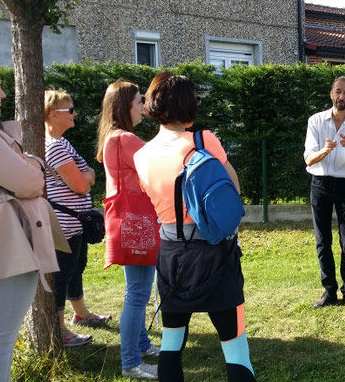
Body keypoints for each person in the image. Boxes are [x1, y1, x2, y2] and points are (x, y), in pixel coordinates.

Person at [133, 72, 254, 382]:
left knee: (171, 345)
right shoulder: (203, 140)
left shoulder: (141, 155)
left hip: (172, 256)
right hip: (215, 253)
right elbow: (232, 190)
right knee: (235, 346)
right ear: (189, 104)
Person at [0, 64, 59, 382]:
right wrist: (33, 163)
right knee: (0, 341)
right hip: (6, 254)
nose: (3, 93)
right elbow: (30, 182)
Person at [96, 80, 160, 379]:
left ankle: (142, 345)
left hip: (125, 220)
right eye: (138, 102)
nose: (143, 108)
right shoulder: (126, 140)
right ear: (124, 107)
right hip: (136, 222)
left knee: (137, 289)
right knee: (137, 294)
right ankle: (131, 361)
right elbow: (156, 168)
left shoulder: (112, 137)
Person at [44, 88, 110, 347]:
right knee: (63, 274)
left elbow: (87, 172)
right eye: (69, 110)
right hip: (64, 225)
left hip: (74, 222)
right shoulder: (55, 148)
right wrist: (86, 178)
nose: (75, 114)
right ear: (51, 114)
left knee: (76, 269)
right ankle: (60, 330)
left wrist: (86, 176)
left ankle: (80, 314)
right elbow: (82, 184)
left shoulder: (62, 143)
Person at [303, 75, 345, 310]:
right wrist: (324, 151)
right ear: (331, 94)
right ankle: (329, 290)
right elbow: (309, 159)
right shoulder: (316, 121)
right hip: (320, 184)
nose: (341, 96)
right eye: (338, 91)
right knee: (322, 240)